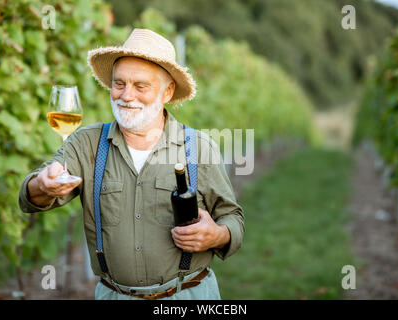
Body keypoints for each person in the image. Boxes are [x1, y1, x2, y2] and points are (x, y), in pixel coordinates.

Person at [18, 28, 244, 300]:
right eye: (119, 83)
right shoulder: (86, 144)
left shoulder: (199, 147)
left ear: (168, 92)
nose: (126, 95)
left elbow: (233, 218)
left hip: (187, 294)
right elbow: (30, 194)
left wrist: (218, 235)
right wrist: (42, 184)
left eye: (141, 86)